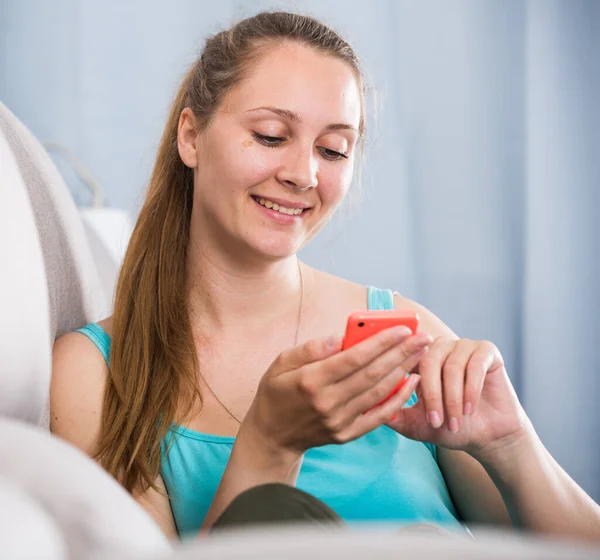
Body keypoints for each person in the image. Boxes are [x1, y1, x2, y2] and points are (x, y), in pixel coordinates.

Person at [50, 10, 600, 542]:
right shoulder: (95, 372)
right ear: (190, 137)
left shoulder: (400, 335)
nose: (303, 174)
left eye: (334, 149)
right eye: (270, 135)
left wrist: (510, 445)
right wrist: (269, 444)